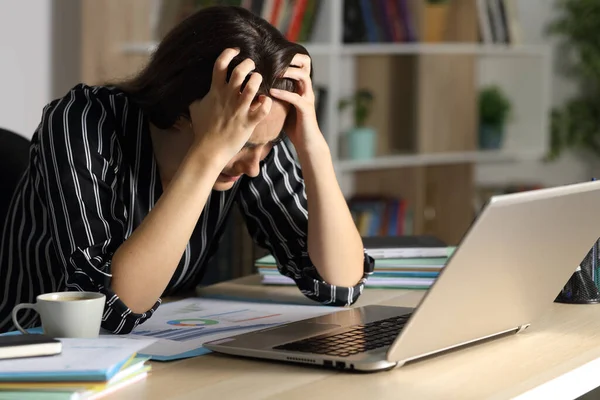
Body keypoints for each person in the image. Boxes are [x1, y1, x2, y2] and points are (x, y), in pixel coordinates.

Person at [0, 5, 373, 335]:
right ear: (181, 111)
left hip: (152, 350)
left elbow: (339, 283)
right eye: (241, 147)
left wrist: (313, 147)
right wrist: (211, 152)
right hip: (31, 348)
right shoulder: (81, 121)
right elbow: (108, 307)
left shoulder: (254, 131)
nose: (255, 167)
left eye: (270, 146)